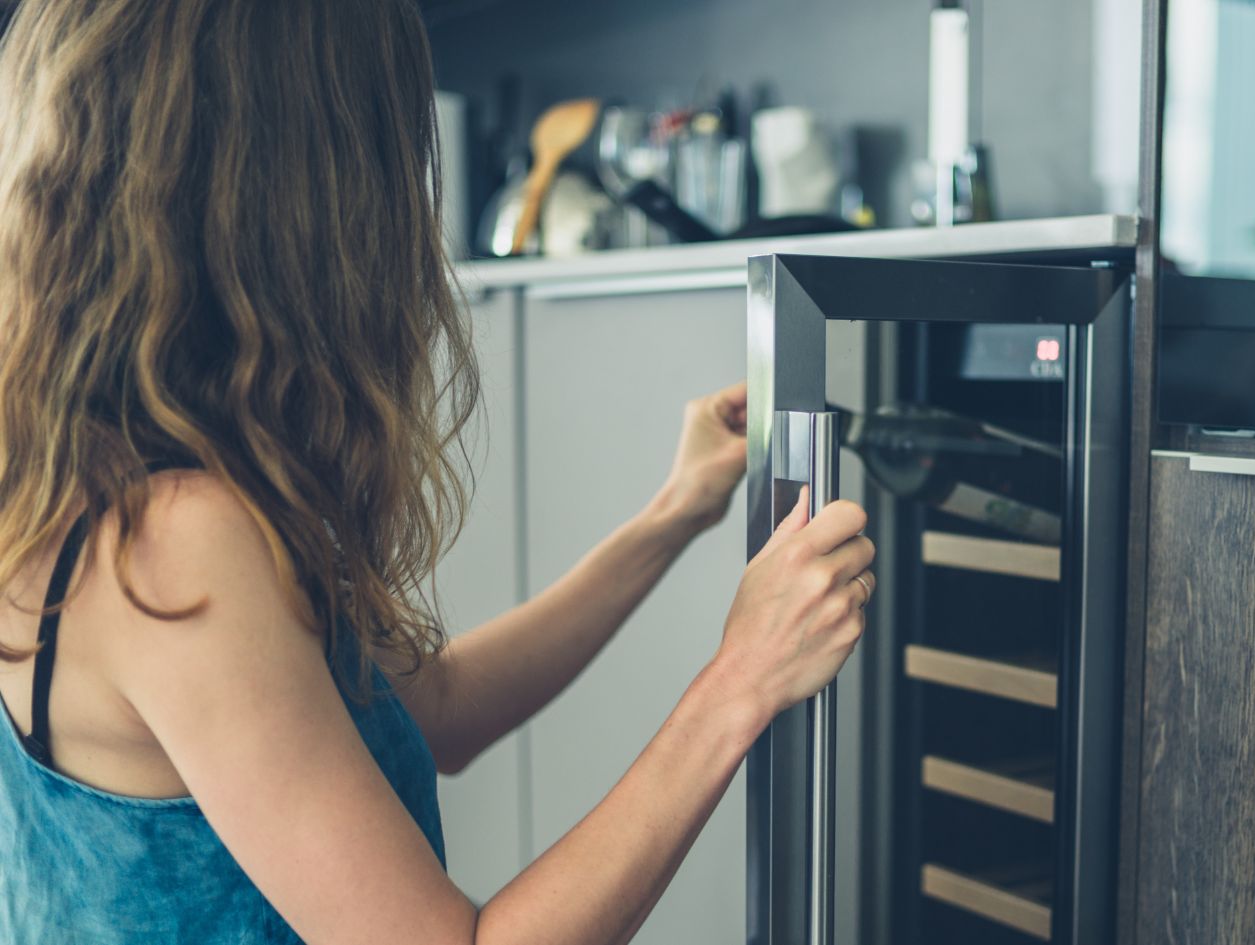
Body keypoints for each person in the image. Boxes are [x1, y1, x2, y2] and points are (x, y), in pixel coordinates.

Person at [0, 1, 875, 943]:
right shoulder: (175, 541)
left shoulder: (105, 470)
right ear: (303, 190)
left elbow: (441, 710)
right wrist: (739, 681)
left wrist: (672, 514)